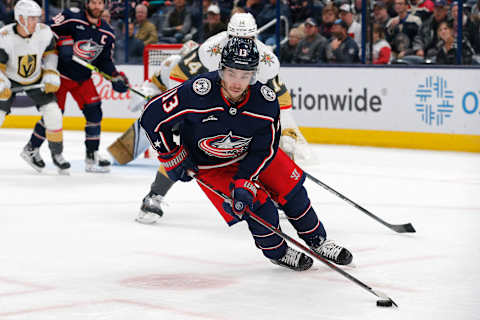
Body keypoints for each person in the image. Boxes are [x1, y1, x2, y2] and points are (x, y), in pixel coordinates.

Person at [140, 37, 353, 271]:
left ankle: (318, 241)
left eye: (244, 75)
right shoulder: (197, 91)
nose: (237, 82)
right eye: (231, 73)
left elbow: (265, 149)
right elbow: (151, 117)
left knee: (293, 191)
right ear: (221, 69)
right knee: (260, 208)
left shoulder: (266, 102)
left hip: (254, 155)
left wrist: (245, 180)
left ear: (254, 74)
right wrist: (172, 155)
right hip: (211, 166)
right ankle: (278, 252)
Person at [139, 13, 312, 224]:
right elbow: (178, 75)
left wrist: (288, 130)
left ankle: (275, 198)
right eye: (234, 37)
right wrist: (179, 110)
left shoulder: (264, 59)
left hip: (240, 112)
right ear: (227, 34)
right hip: (205, 110)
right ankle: (155, 195)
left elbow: (279, 98)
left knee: (262, 151)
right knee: (186, 151)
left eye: (248, 39)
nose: (241, 43)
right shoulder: (209, 50)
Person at [25, 0, 129, 173]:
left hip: (83, 78)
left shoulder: (108, 32)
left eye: (100, 3)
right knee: (54, 115)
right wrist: (63, 41)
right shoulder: (71, 16)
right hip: (60, 75)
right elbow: (45, 30)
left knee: (95, 112)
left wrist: (115, 76)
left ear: (104, 6)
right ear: (87, 3)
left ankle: (91, 156)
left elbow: (104, 61)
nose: (96, 6)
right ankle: (31, 148)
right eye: (93, 2)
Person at [0, 0, 70, 173]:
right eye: (31, 18)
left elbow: (50, 53)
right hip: (10, 78)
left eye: (37, 18)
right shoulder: (4, 36)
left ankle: (57, 154)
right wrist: (1, 82)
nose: (35, 22)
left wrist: (51, 72)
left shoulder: (44, 32)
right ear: (20, 18)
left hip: (35, 78)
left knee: (54, 113)